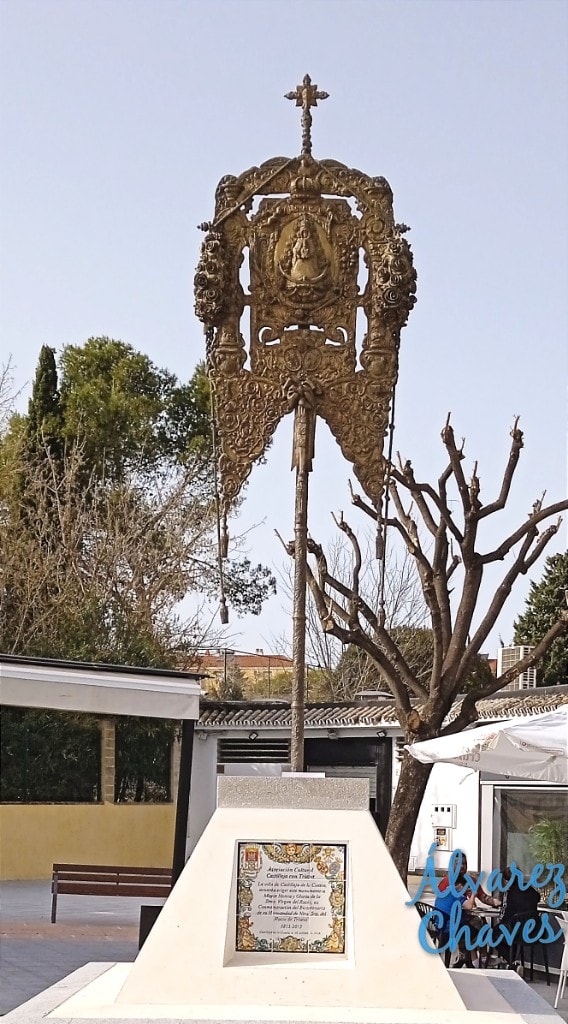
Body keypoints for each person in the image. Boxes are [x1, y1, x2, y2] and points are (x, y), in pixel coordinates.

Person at [434, 858, 481, 968]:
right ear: (461, 886)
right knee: (477, 928)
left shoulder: (446, 890)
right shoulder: (457, 894)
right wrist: (473, 895)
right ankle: (467, 957)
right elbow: (469, 906)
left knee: (467, 925)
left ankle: (464, 956)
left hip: (438, 926)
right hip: (449, 929)